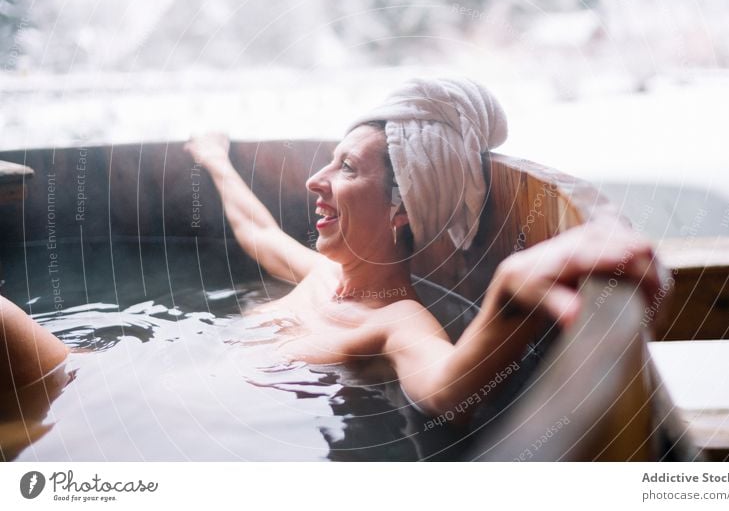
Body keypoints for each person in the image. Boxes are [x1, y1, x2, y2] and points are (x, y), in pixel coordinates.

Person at [0, 77, 663, 422]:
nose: (317, 180)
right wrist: (217, 160)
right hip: (111, 379)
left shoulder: (395, 321)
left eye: (345, 169)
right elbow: (256, 232)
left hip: (95, 399)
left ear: (402, 210)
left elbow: (444, 387)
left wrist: (511, 287)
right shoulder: (322, 274)